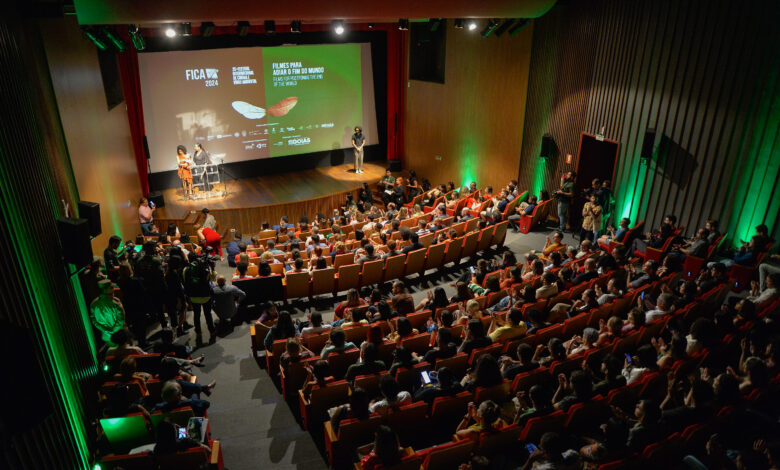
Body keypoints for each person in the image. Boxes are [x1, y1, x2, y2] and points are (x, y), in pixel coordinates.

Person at [184, 254, 216, 346]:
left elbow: (185, 282)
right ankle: (212, 331)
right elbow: (213, 279)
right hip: (205, 296)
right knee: (208, 314)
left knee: (196, 315)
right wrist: (212, 269)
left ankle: (198, 332)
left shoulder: (186, 269)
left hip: (193, 296)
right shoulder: (204, 268)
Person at [90, 279, 125, 344]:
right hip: (119, 335)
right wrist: (113, 330)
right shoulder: (115, 303)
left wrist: (104, 329)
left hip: (106, 336)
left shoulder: (94, 304)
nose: (113, 289)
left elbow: (93, 320)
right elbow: (121, 320)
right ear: (105, 290)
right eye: (111, 287)